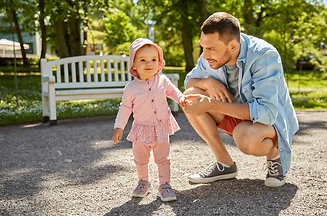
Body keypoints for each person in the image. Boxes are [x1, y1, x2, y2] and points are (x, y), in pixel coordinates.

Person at [183, 12, 299, 187]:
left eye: (211, 49)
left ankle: (275, 156)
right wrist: (207, 82)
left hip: (268, 123)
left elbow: (266, 113)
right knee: (190, 97)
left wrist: (213, 104)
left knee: (245, 136)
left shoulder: (263, 55)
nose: (205, 55)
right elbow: (189, 82)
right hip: (235, 114)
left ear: (232, 46)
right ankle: (225, 164)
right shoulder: (209, 56)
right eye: (203, 47)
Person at [112, 38, 188, 201]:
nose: (149, 63)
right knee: (140, 159)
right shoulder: (131, 88)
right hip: (141, 130)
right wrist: (119, 127)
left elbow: (173, 91)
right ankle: (144, 182)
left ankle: (165, 185)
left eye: (153, 60)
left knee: (163, 159)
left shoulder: (162, 80)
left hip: (160, 128)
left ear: (159, 62)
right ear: (133, 65)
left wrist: (181, 99)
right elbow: (125, 108)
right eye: (143, 60)